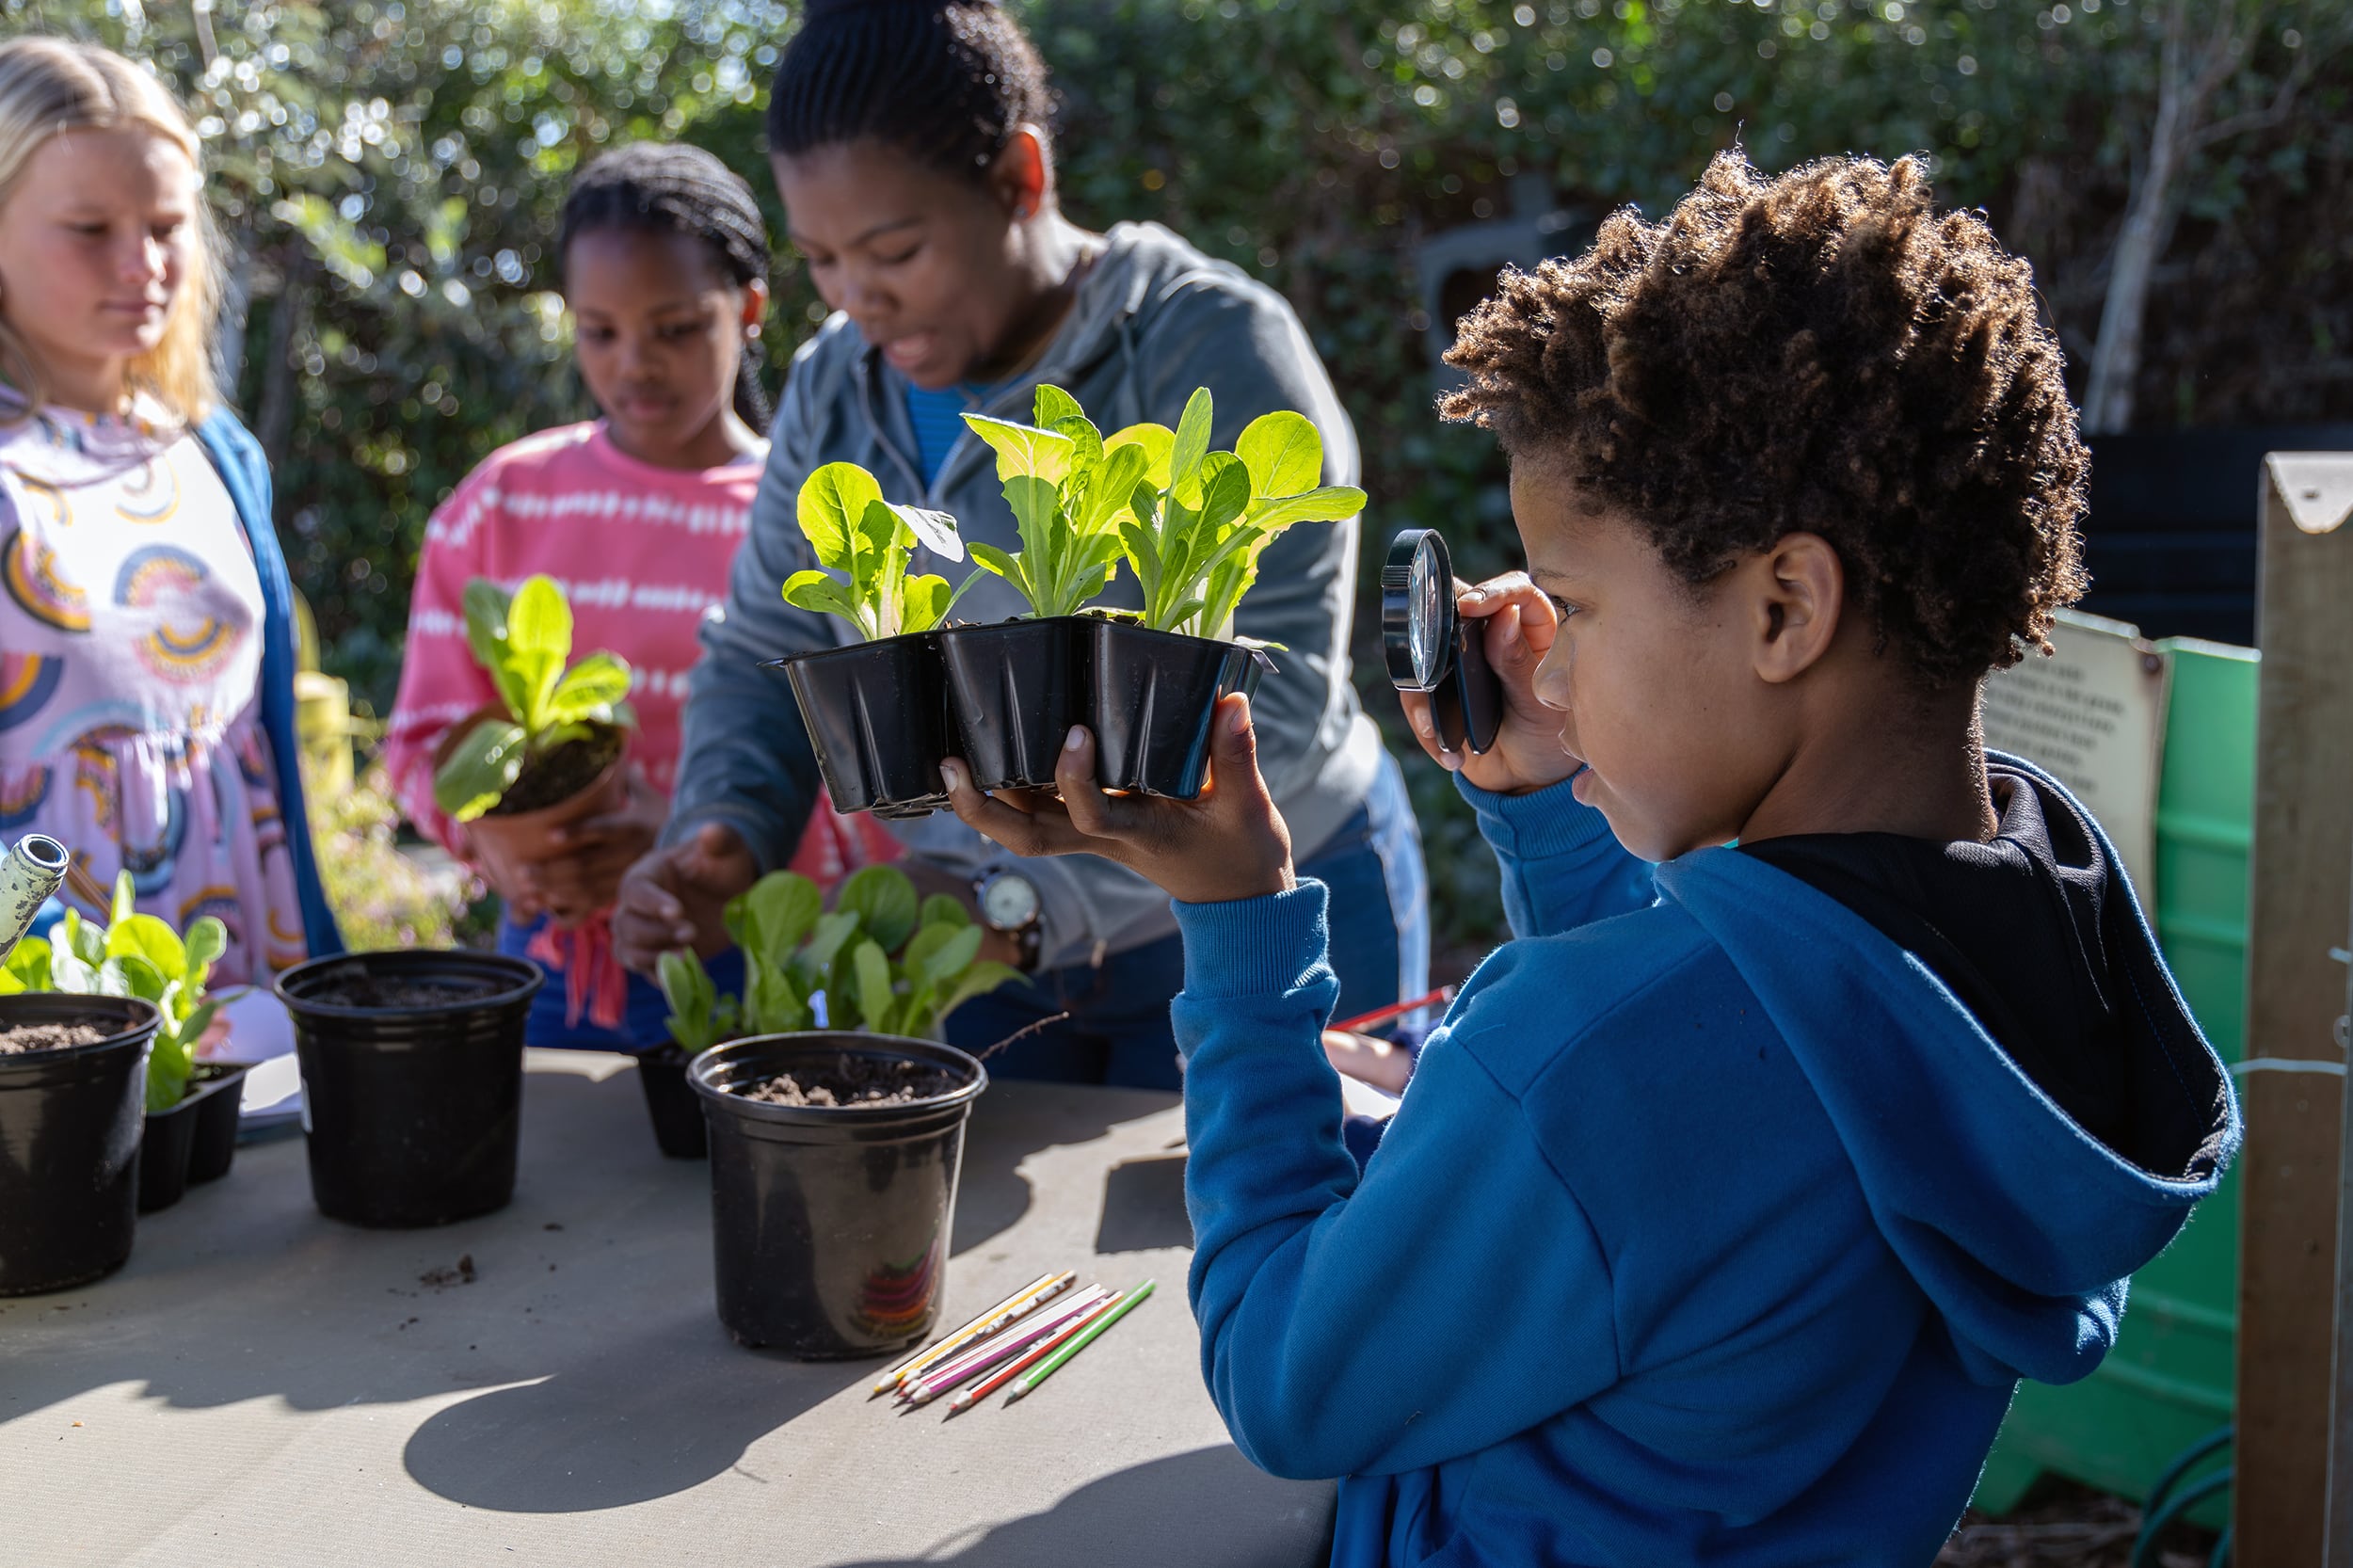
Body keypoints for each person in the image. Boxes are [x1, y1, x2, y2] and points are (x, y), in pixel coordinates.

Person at [935, 151, 2240, 1562]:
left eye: (1577, 602)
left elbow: (1291, 1378)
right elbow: (1715, 1097)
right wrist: (1567, 814)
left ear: (1786, 607)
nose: (1551, 679)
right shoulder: (2033, 959)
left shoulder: (1588, 1070)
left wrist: (1240, 923)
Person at [613, 0, 1425, 1087]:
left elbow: (1271, 694)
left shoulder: (1209, 344)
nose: (859, 298)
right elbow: (766, 636)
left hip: (1258, 910)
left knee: (1291, 1238)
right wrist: (725, 824)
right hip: (980, 940)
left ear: (1020, 178)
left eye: (893, 249)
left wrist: (1025, 899)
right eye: (822, 261)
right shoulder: (831, 387)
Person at [383, 143, 895, 1048]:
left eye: (675, 327)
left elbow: (880, 793)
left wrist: (704, 840)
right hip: (545, 964)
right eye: (600, 331)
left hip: (761, 965)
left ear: (748, 310)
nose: (635, 366)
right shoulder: (502, 502)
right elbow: (424, 739)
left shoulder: (819, 517)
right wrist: (495, 843)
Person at [0, 37, 338, 980]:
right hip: (48, 1009)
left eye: (165, 224)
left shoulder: (214, 453)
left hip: (239, 982)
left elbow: (258, 746)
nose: (142, 262)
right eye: (89, 228)